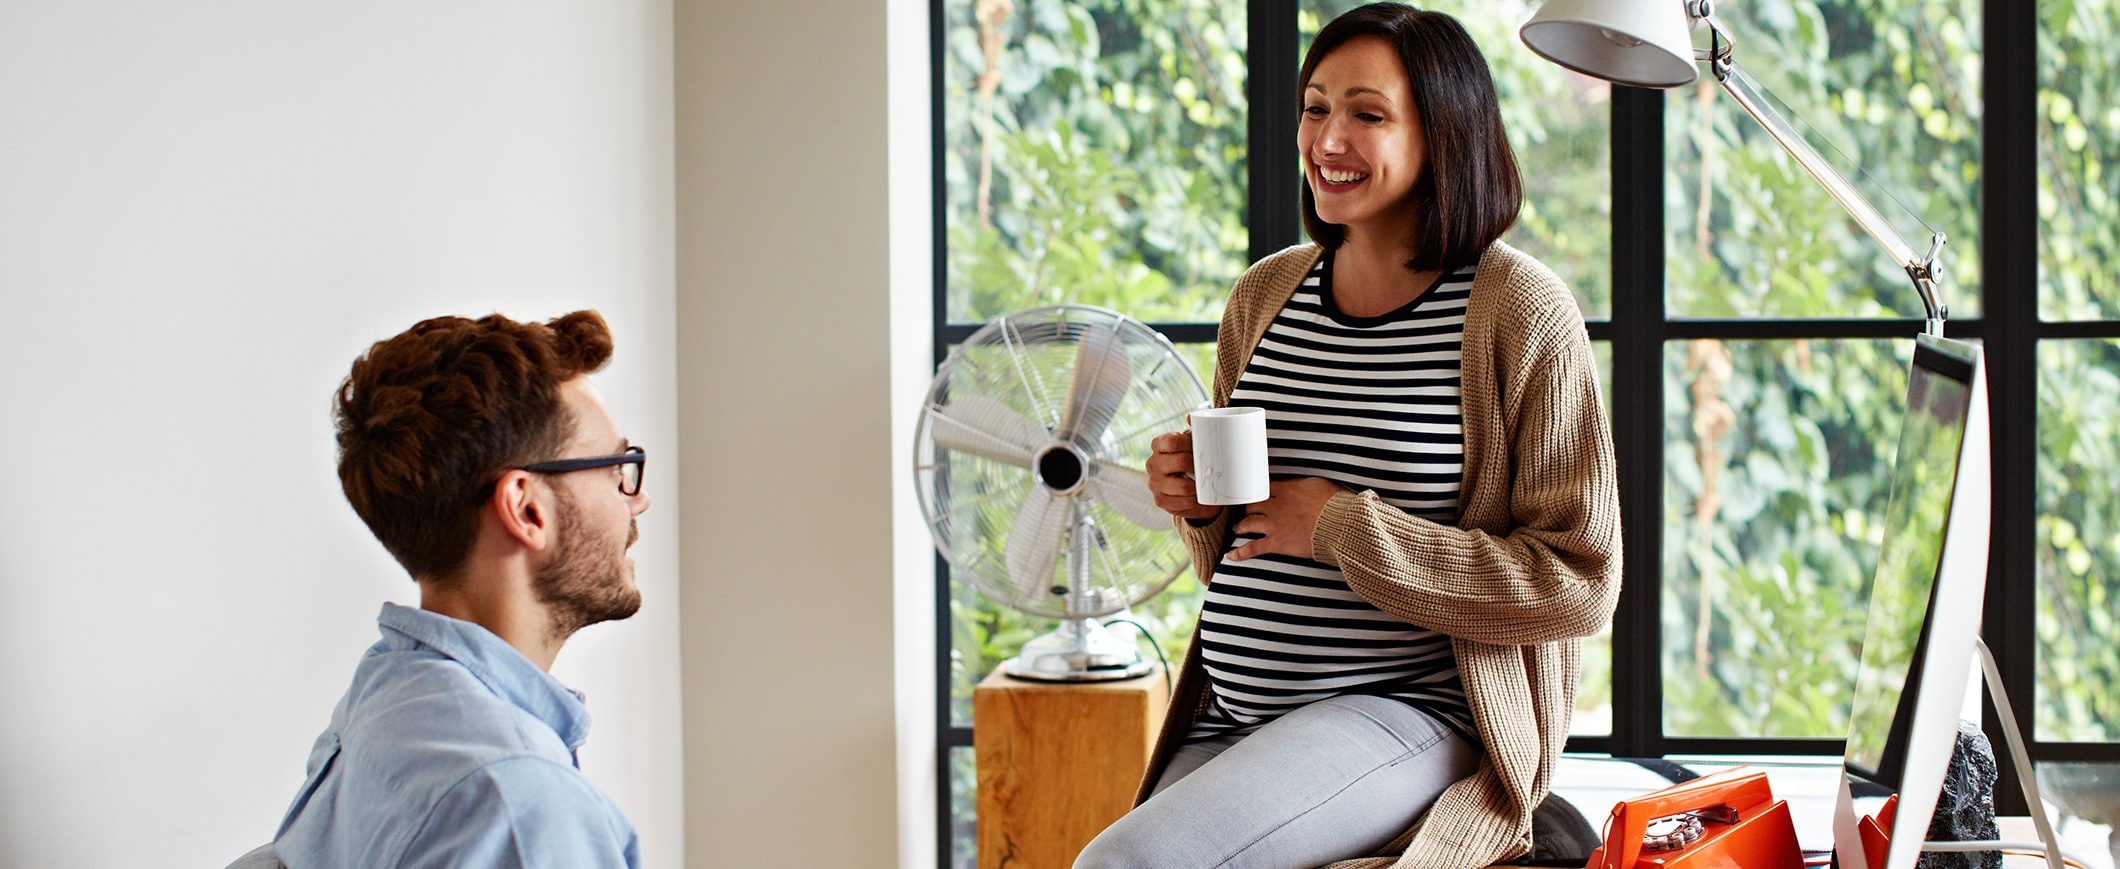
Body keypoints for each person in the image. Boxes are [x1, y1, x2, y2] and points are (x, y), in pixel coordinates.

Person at [1075, 5, 1620, 868]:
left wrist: (1336, 525)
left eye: (1367, 113)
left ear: (1442, 134)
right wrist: (1197, 503)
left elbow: (1578, 582)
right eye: (1315, 105)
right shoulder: (1267, 294)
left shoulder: (1518, 312)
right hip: (1234, 713)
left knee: (1122, 864)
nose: (1329, 136)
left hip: (1408, 713)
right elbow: (1241, 549)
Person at [273, 311, 652, 868]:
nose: (636, 499)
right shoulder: (520, 802)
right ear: (526, 508)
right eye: (617, 467)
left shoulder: (383, 705)